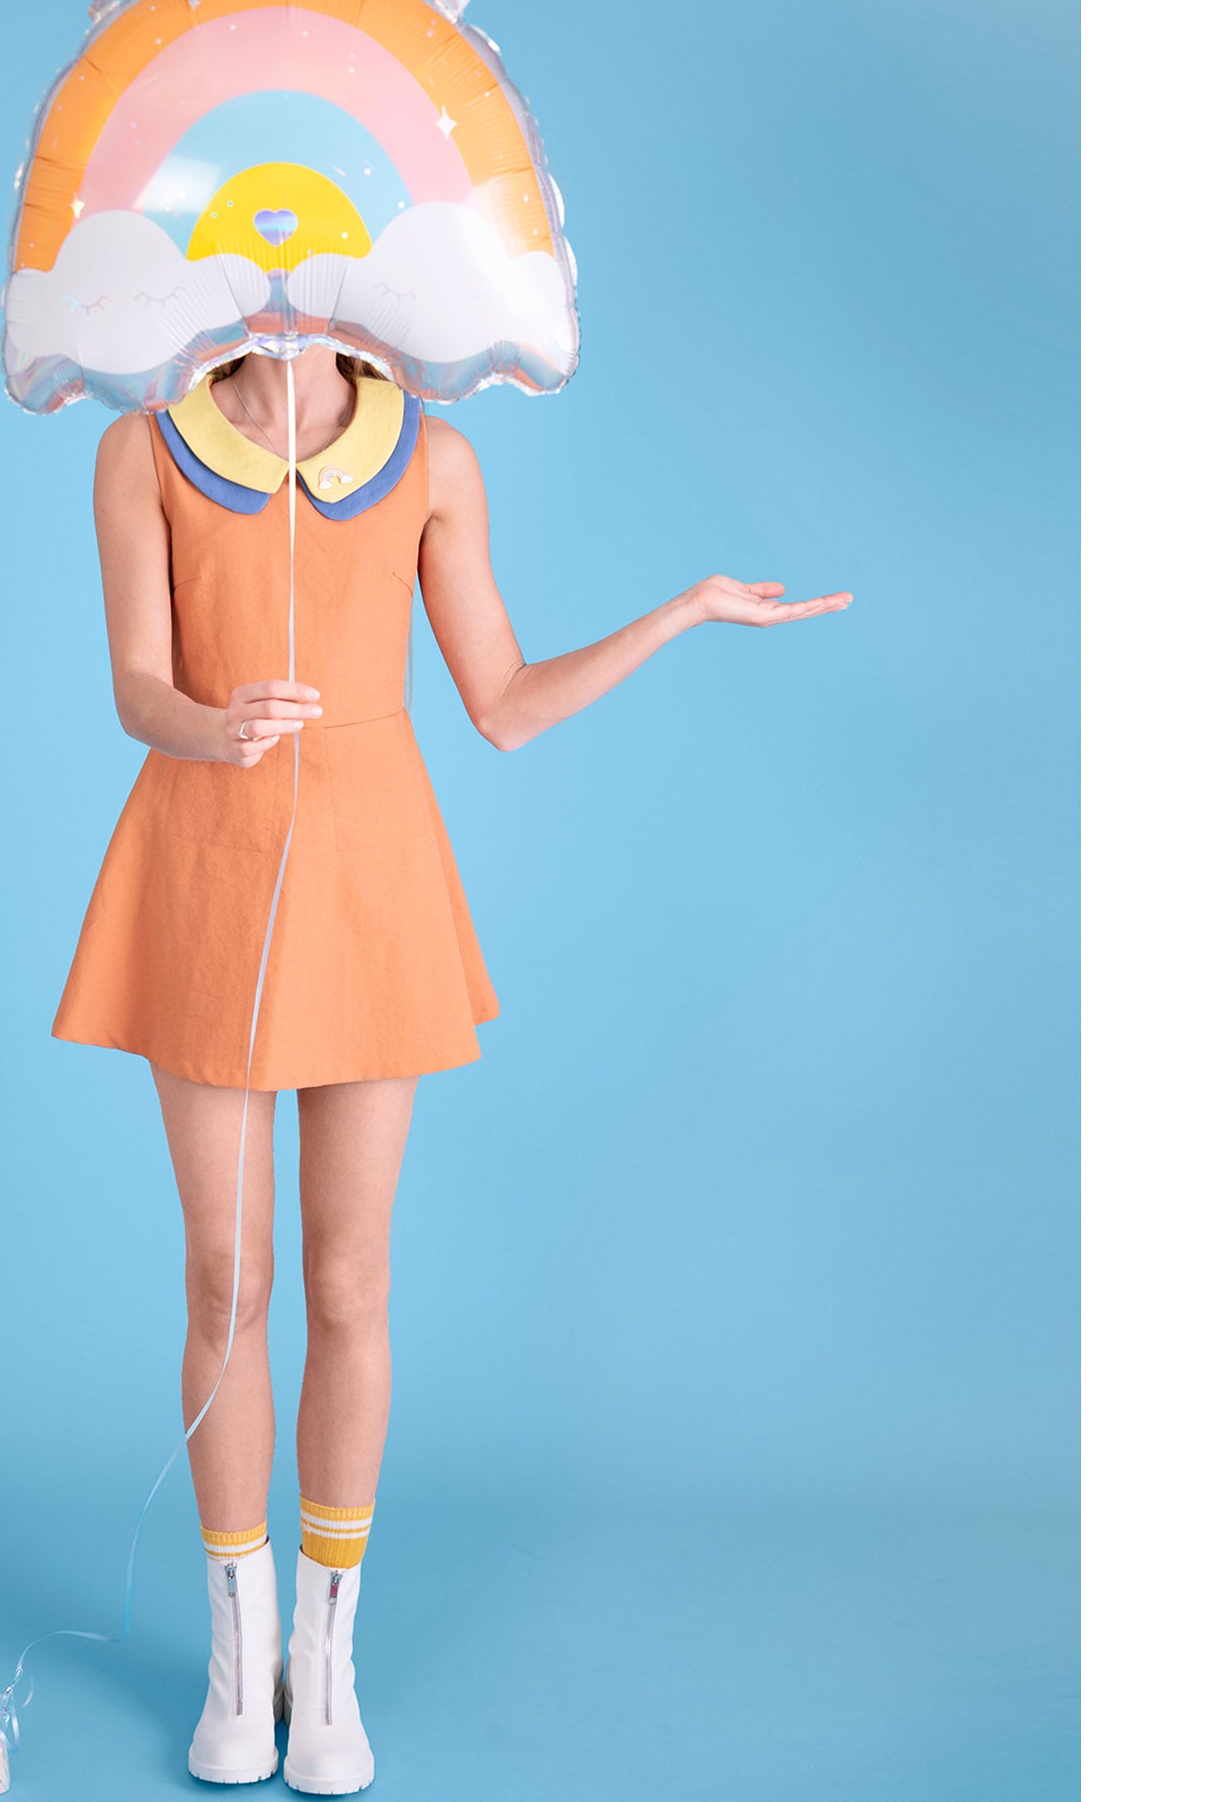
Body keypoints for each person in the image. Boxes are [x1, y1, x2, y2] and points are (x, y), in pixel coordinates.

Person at [50, 343, 851, 1793]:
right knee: (226, 1281)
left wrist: (681, 613)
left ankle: (324, 1663)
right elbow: (135, 685)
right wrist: (214, 726)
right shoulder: (140, 450)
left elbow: (505, 700)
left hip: (373, 882)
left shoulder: (433, 459)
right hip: (204, 867)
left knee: (351, 1284)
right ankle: (240, 1657)